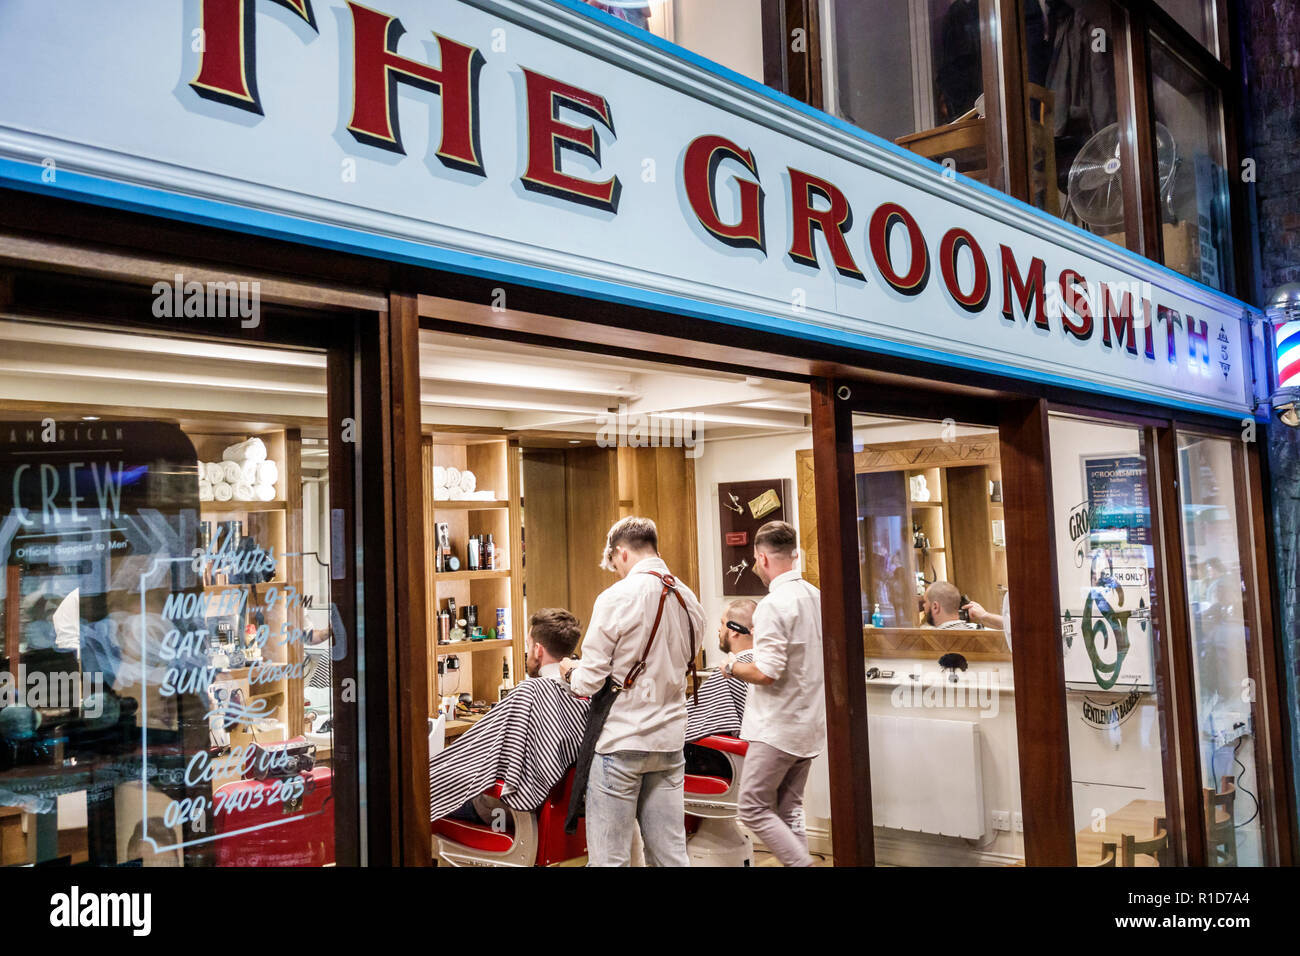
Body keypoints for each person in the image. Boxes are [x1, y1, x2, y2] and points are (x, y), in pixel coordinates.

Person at [559, 515, 705, 867]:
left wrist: (570, 672)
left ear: (620, 553)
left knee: (610, 860)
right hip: (669, 743)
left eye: (613, 564)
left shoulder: (616, 597)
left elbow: (590, 681)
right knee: (670, 857)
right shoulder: (689, 600)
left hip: (621, 743)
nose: (615, 571)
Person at [720, 520, 824, 867]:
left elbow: (766, 672)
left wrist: (733, 665)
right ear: (794, 554)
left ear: (761, 558)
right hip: (809, 723)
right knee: (789, 807)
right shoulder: (814, 596)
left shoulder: (774, 604)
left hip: (777, 728)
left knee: (751, 807)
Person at [433, 609, 585, 825]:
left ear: (538, 650)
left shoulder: (530, 692)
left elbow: (478, 755)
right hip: (560, 812)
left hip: (509, 809)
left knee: (426, 792)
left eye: (528, 645)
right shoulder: (585, 691)